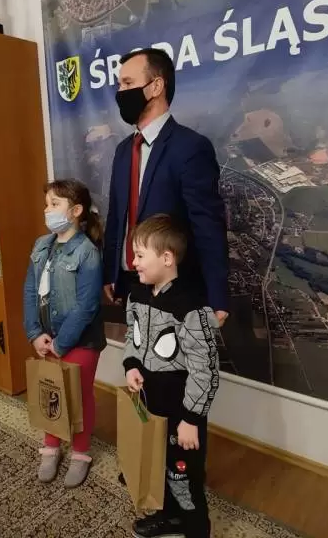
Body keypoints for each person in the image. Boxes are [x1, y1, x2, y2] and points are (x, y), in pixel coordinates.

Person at [103, 47, 229, 326]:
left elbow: (207, 224)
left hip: (177, 291)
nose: (120, 92)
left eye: (128, 83)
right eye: (119, 84)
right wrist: (111, 272)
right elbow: (116, 217)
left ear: (156, 86)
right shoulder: (123, 151)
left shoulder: (190, 147)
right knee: (137, 353)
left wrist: (217, 296)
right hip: (130, 286)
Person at [124, 214, 219, 538]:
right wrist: (131, 365)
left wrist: (191, 418)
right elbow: (132, 336)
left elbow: (205, 367)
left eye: (140, 255)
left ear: (167, 258)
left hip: (182, 413)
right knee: (159, 464)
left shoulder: (190, 307)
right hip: (152, 405)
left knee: (183, 474)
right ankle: (168, 516)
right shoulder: (137, 295)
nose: (133, 262)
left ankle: (194, 528)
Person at [24, 179, 106, 487]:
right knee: (51, 390)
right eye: (46, 204)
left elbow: (86, 306)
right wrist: (34, 333)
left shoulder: (87, 253)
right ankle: (51, 446)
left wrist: (61, 344)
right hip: (47, 337)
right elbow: (30, 290)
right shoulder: (40, 245)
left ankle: (81, 453)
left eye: (55, 204)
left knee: (79, 395)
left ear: (76, 210)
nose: (47, 210)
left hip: (79, 340)